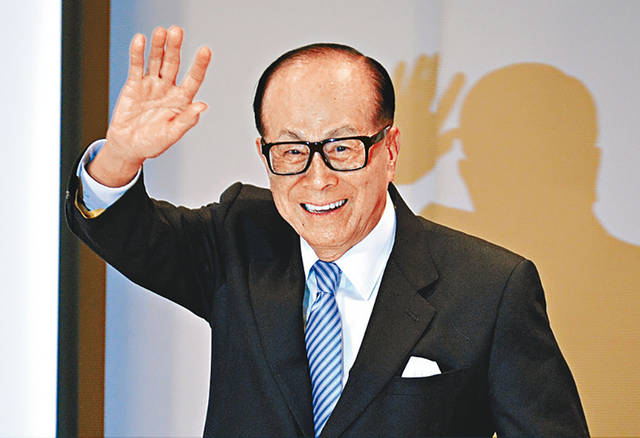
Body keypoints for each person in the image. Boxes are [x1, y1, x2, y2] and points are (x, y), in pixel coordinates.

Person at [66, 26, 589, 437]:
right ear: (264, 156)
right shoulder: (239, 239)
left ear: (390, 150)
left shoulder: (490, 289)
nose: (318, 180)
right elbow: (125, 231)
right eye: (292, 151)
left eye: (342, 147)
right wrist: (121, 156)